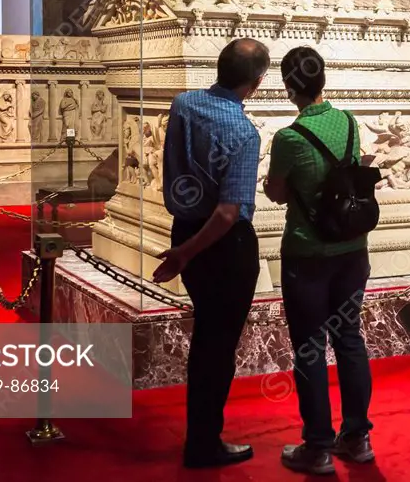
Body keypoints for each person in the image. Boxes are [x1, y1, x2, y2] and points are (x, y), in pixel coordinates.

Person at [153, 38, 270, 469]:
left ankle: (202, 436)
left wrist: (184, 247)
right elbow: (225, 214)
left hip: (185, 226)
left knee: (207, 338)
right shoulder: (243, 133)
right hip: (221, 246)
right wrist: (183, 253)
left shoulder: (183, 104)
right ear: (255, 84)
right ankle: (204, 443)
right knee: (217, 347)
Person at [264, 46, 375, 475]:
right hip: (351, 249)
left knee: (310, 347)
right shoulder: (347, 121)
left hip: (307, 253)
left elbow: (276, 191)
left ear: (289, 87)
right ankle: (357, 436)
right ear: (322, 80)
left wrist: (284, 186)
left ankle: (318, 446)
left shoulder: (288, 138)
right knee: (349, 338)